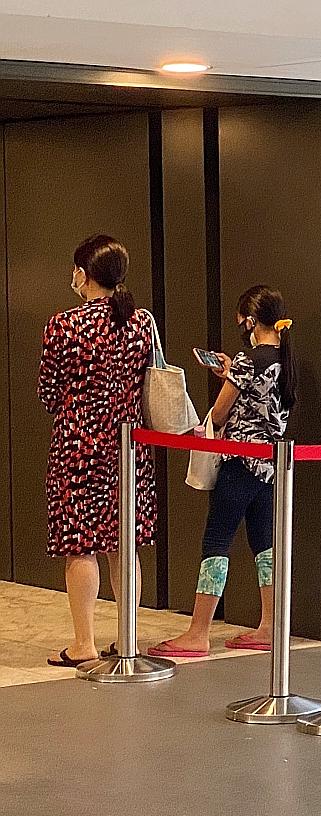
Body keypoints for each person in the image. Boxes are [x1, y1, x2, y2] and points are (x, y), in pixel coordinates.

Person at [150, 286, 298, 658]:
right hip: (269, 464)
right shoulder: (284, 358)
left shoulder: (249, 360)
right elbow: (262, 400)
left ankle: (198, 632)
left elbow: (218, 414)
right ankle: (271, 624)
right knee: (264, 543)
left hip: (238, 462)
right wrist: (232, 373)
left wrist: (232, 377)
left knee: (216, 541)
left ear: (250, 319)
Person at [38, 235, 158, 668]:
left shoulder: (63, 326)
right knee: (124, 544)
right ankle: (127, 636)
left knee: (80, 545)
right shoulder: (141, 322)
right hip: (128, 446)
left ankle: (84, 644)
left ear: (83, 275)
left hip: (78, 447)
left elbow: (48, 393)